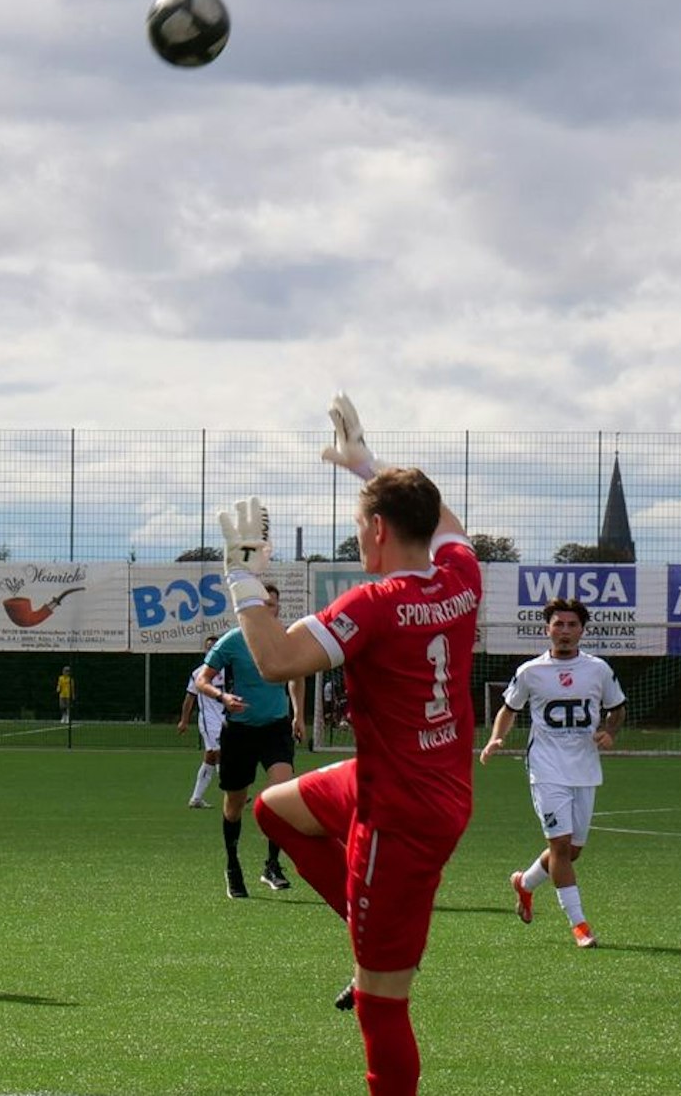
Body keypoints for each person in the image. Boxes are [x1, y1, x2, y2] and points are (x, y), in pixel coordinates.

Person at [226, 393, 482, 1096]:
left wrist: (241, 574)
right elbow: (447, 524)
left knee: (380, 1002)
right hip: (424, 784)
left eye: (358, 527)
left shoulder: (372, 605)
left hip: (397, 816)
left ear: (374, 532)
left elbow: (275, 660)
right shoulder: (461, 575)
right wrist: (364, 463)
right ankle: (372, 927)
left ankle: (379, 947)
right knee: (276, 809)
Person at [479, 598, 627, 948]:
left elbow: (617, 707)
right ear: (547, 628)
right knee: (559, 846)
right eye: (558, 624)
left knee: (572, 851)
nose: (564, 631)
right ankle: (579, 925)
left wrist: (611, 731)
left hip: (585, 767)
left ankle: (525, 883)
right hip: (546, 767)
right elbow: (509, 708)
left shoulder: (598, 669)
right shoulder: (531, 671)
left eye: (571, 625)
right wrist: (497, 738)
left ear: (582, 630)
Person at [196, 596, 307, 895]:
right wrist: (223, 698)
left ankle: (272, 865)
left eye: (275, 604)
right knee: (234, 804)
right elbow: (201, 680)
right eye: (266, 604)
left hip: (276, 728)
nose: (271, 609)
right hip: (240, 731)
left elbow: (297, 677)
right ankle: (232, 866)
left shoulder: (286, 639)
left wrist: (298, 715)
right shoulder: (232, 641)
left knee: (282, 795)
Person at [177, 636, 225, 809]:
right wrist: (184, 720)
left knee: (210, 758)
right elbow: (189, 698)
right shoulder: (198, 673)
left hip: (226, 720)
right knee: (221, 753)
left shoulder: (228, 670)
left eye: (214, 647)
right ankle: (231, 792)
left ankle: (196, 798)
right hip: (209, 721)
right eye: (208, 648)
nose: (211, 650)